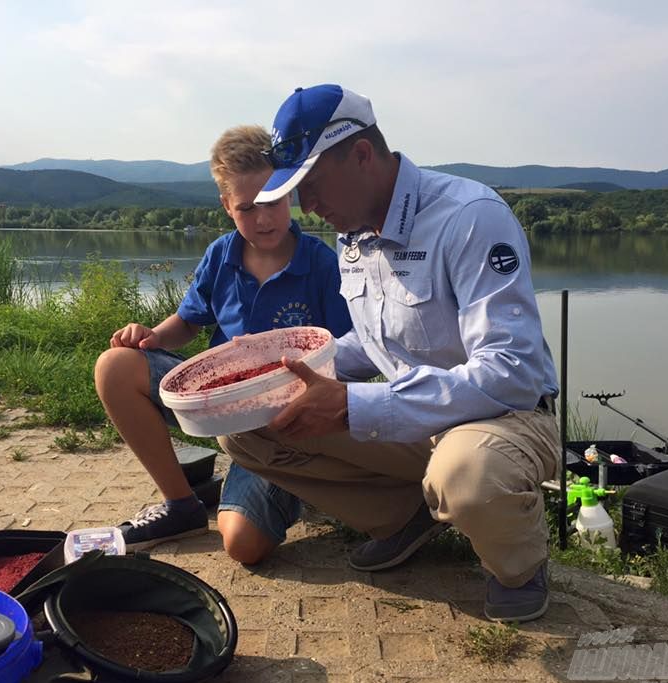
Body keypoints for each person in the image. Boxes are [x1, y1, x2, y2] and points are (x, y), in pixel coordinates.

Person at [219, 85, 561, 622]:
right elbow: (374, 343)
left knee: (468, 472)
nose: (306, 206)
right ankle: (403, 518)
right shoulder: (352, 234)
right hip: (416, 423)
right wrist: (280, 366)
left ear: (361, 155)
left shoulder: (469, 216)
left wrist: (356, 406)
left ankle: (518, 565)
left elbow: (512, 372)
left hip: (502, 420)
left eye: (311, 185)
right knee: (246, 423)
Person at [94, 124, 352, 564]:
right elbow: (187, 323)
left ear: (289, 193)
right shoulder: (220, 255)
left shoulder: (323, 265)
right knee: (115, 365)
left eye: (273, 201)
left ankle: (279, 487)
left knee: (243, 546)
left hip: (283, 429)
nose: (264, 218)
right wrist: (152, 337)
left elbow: (346, 354)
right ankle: (181, 504)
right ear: (226, 206)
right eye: (247, 208)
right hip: (217, 406)